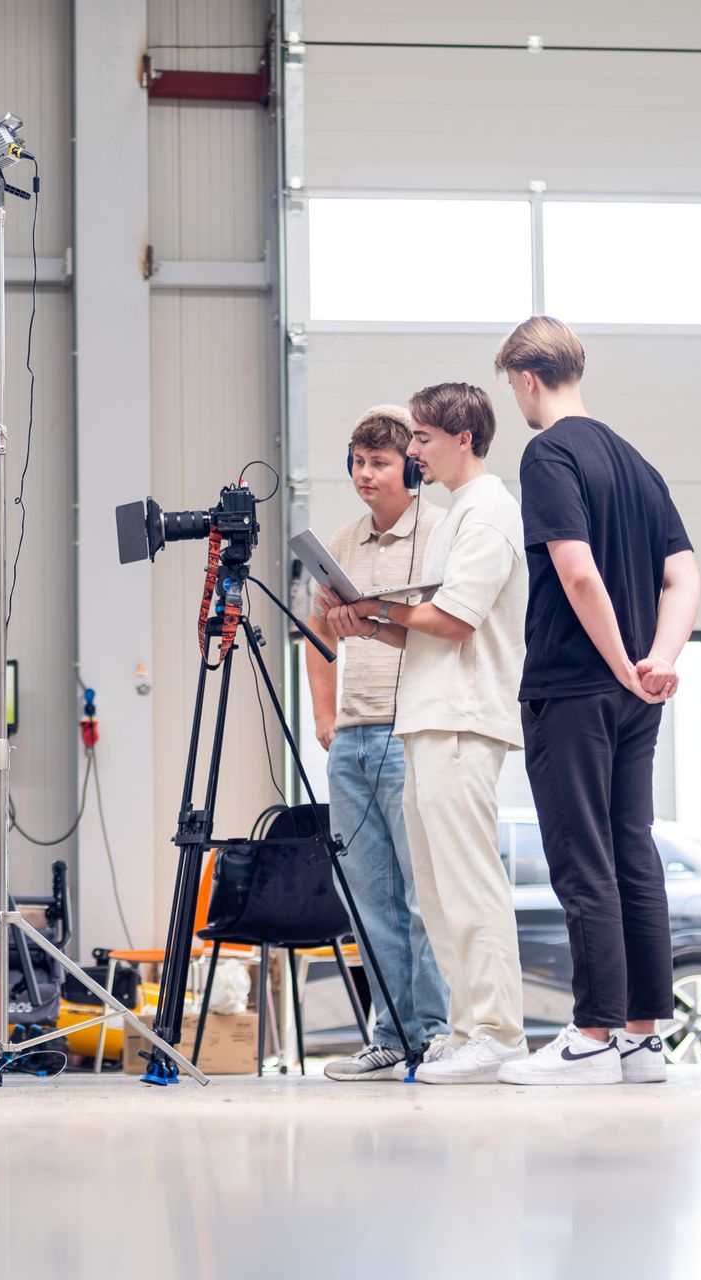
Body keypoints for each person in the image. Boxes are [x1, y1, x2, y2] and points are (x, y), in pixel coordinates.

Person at [491, 316, 701, 1087]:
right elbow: (685, 577)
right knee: (632, 854)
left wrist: (618, 664)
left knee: (585, 863)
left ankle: (590, 1036)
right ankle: (643, 1041)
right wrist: (656, 661)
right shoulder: (638, 464)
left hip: (575, 689)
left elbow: (578, 574)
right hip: (636, 696)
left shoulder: (547, 453)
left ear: (525, 378)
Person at [321, 383, 529, 1085]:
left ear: (462, 439)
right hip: (428, 718)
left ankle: (497, 1032)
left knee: (469, 887)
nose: (412, 451)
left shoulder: (489, 512)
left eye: (421, 439)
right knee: (438, 896)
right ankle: (468, 1031)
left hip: (464, 721)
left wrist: (375, 603)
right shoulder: (458, 518)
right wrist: (369, 623)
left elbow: (455, 620)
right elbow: (425, 631)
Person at [305, 406, 452, 1081]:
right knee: (371, 902)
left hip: (410, 732)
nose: (366, 474)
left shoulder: (439, 535)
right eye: (359, 462)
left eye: (380, 463)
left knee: (425, 897)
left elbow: (450, 625)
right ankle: (390, 1036)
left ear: (409, 467)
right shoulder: (341, 541)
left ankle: (441, 1034)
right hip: (352, 743)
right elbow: (319, 636)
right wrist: (326, 716)